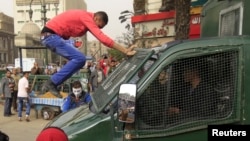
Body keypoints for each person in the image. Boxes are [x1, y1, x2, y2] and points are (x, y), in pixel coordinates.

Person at [40, 10, 136, 98]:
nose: (97, 29)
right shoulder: (86, 18)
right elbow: (103, 38)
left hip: (50, 37)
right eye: (99, 26)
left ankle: (53, 82)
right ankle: (51, 83)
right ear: (96, 18)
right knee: (80, 58)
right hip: (50, 37)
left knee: (78, 59)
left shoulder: (85, 18)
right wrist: (125, 50)